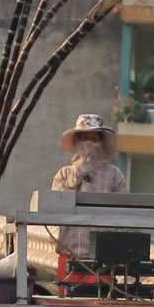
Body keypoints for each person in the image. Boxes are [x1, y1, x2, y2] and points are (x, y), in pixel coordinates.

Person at [50, 112, 126, 268]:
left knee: (101, 292)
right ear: (77, 142)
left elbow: (123, 211)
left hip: (104, 256)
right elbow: (56, 209)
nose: (90, 143)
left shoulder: (114, 175)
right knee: (69, 292)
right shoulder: (64, 174)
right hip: (69, 251)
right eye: (85, 138)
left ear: (101, 142)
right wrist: (78, 174)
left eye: (94, 139)